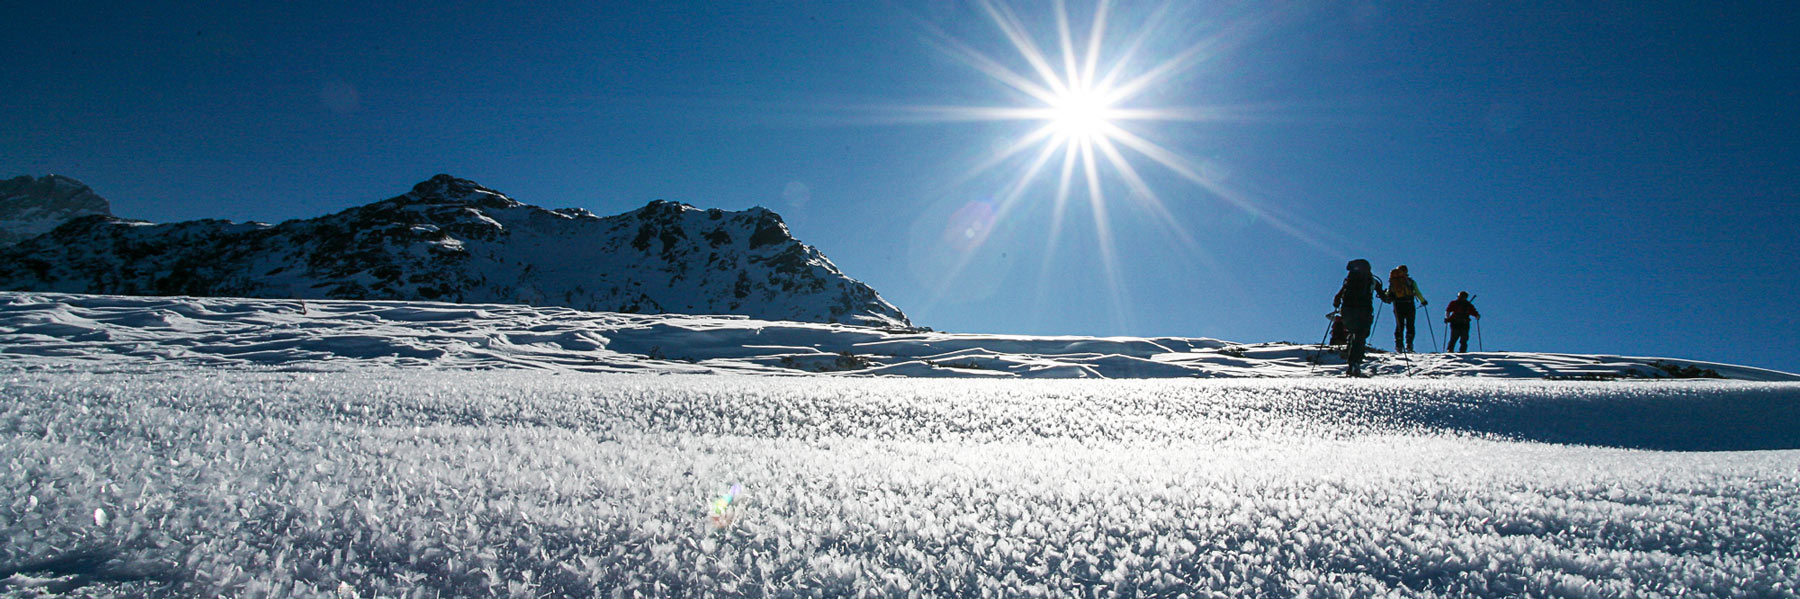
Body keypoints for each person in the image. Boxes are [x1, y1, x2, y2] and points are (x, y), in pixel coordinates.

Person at [1332, 258, 1386, 377]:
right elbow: (1385, 298)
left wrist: (1336, 305)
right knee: (1360, 337)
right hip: (1364, 311)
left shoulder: (1349, 280)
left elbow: (1338, 297)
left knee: (1353, 333)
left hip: (1347, 310)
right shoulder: (1372, 281)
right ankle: (1355, 363)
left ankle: (1351, 362)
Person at [1386, 265, 1427, 352]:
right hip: (1409, 304)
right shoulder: (1410, 281)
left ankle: (1398, 345)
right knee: (1410, 324)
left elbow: (1389, 293)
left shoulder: (1393, 281)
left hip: (1397, 305)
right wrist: (1423, 301)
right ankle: (1409, 344)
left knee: (1399, 325)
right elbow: (1417, 292)